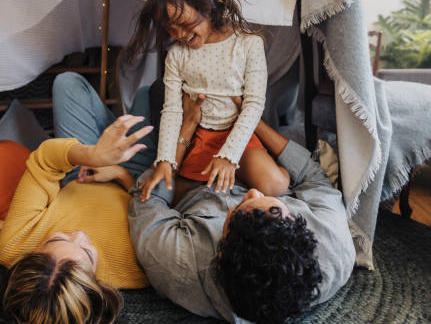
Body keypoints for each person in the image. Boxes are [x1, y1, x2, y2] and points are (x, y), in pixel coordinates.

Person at [128, 97, 356, 324]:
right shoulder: (333, 246)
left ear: (220, 255)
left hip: (191, 168)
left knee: (156, 94)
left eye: (238, 210)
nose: (254, 192)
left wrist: (186, 127)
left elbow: (149, 198)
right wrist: (253, 120)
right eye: (273, 203)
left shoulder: (179, 266)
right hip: (252, 154)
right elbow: (312, 175)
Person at [0, 73, 155, 324]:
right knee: (146, 93)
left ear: (32, 254)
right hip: (137, 175)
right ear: (97, 287)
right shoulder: (138, 271)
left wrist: (93, 156)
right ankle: (117, 128)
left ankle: (111, 135)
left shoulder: (14, 247)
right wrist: (121, 174)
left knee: (67, 82)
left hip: (81, 169)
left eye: (58, 236)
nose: (80, 234)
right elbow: (161, 205)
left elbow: (44, 163)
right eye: (87, 252)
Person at [124, 0, 290, 201]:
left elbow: (253, 105)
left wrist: (229, 155)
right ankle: (231, 176)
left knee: (275, 186)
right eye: (170, 29)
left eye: (185, 24)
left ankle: (274, 169)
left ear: (207, 6)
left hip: (238, 135)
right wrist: (165, 160)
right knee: (171, 195)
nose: (180, 35)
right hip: (199, 137)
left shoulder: (247, 44)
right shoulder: (177, 54)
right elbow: (171, 112)